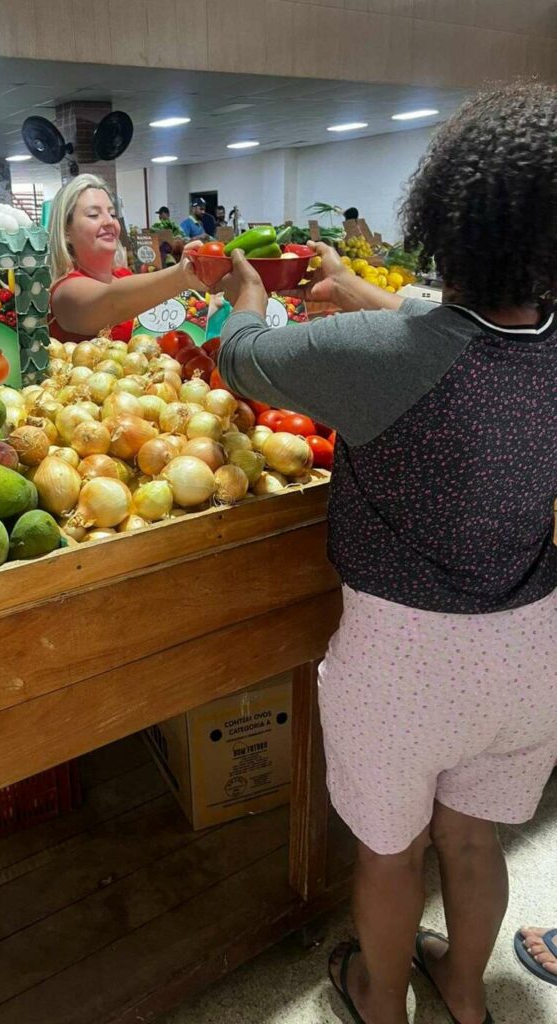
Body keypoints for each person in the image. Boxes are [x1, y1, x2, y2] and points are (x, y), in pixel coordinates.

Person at [216, 82, 556, 1024]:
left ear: (448, 211)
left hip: (405, 659)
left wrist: (245, 297)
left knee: (391, 854)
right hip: (531, 645)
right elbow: (452, 337)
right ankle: (465, 998)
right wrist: (370, 295)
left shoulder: (385, 353)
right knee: (475, 842)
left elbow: (241, 357)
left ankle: (376, 997)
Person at [48, 173, 204, 343]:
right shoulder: (64, 291)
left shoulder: (124, 276)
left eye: (113, 214)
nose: (110, 222)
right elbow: (113, 303)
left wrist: (212, 307)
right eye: (93, 215)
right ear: (66, 231)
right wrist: (181, 276)